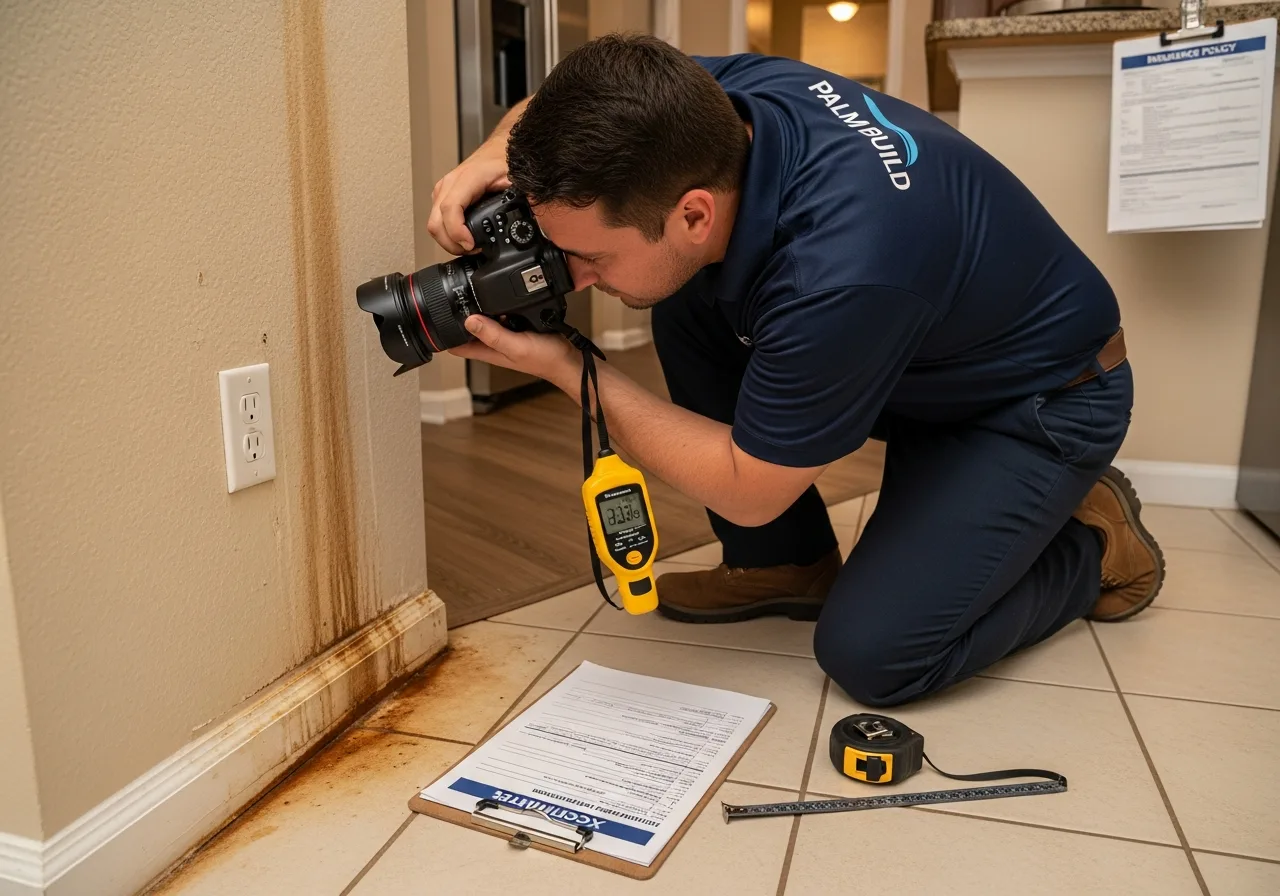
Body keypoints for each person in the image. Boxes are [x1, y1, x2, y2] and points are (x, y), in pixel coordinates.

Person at [426, 34, 1164, 708]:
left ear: (692, 214)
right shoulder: (725, 104)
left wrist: (568, 369)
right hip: (916, 355)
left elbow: (749, 489)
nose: (574, 279)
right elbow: (547, 102)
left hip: (1032, 403)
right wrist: (492, 153)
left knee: (874, 657)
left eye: (592, 255)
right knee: (680, 298)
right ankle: (786, 564)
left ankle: (1094, 549)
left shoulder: (843, 269)